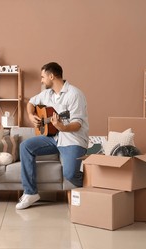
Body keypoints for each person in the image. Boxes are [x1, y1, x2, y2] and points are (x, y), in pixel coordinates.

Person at [16, 62, 89, 210]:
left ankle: (99, 186)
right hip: (54, 138)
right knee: (25, 146)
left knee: (69, 174)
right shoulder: (47, 94)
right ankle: (30, 193)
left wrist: (62, 127)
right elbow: (31, 102)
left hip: (72, 140)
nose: (41, 80)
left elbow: (77, 124)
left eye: (43, 77)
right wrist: (31, 115)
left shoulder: (75, 94)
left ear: (51, 76)